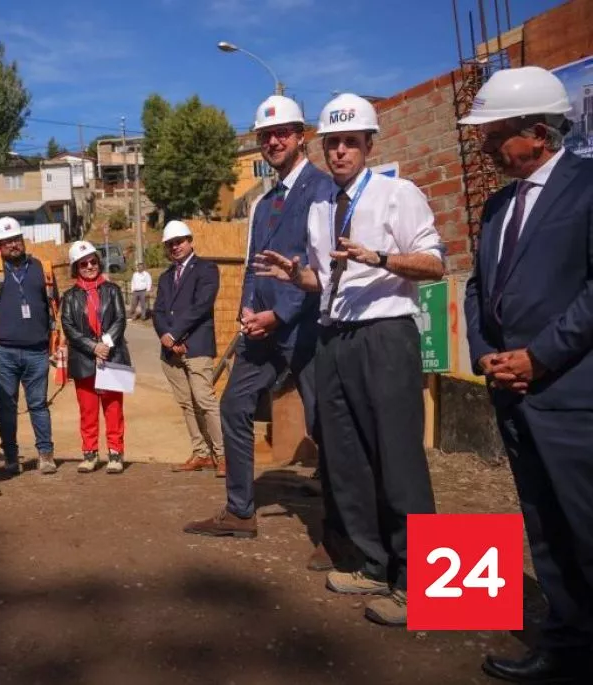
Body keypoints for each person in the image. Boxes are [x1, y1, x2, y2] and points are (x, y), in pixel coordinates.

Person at [255, 93, 444, 627]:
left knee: (398, 460)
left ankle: (419, 584)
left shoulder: (396, 194)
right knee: (348, 459)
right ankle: (373, 564)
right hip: (335, 336)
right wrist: (295, 277)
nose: (340, 152)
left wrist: (379, 257)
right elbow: (325, 280)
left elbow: (433, 261)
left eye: (350, 142)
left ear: (368, 144)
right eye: (332, 143)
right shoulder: (320, 209)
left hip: (385, 334)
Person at [460, 66, 593, 683]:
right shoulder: (495, 207)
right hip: (511, 395)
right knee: (544, 526)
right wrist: (487, 351)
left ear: (538, 132)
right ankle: (565, 647)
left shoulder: (588, 188)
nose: (485, 146)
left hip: (571, 397)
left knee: (586, 527)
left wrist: (540, 356)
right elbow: (478, 288)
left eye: (495, 133)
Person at [183, 95, 334, 555]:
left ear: (300, 136)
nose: (273, 141)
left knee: (325, 422)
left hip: (303, 328)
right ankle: (240, 511)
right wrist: (248, 311)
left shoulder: (321, 189)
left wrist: (280, 313)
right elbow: (252, 265)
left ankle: (342, 530)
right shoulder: (265, 200)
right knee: (234, 406)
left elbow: (320, 264)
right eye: (266, 135)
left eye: (282, 133)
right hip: (260, 331)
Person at [0, 217, 61, 475]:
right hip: (3, 351)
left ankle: (45, 454)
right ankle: (11, 457)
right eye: (7, 241)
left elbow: (53, 302)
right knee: (6, 406)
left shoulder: (41, 268)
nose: (13, 244)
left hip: (37, 351)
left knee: (39, 405)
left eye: (16, 239)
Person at [154, 220, 224, 475]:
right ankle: (201, 452)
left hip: (196, 345)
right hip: (171, 350)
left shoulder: (206, 269)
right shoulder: (165, 278)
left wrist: (174, 334)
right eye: (170, 244)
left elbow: (201, 306)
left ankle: (223, 454)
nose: (175, 247)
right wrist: (166, 336)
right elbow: (158, 311)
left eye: (179, 241)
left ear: (190, 241)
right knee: (186, 403)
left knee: (205, 400)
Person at [61, 240, 130, 473]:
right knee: (87, 410)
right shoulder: (69, 297)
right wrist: (93, 347)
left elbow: (120, 320)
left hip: (111, 356)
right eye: (83, 264)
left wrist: (105, 345)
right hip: (84, 360)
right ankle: (89, 454)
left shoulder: (113, 290)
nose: (89, 266)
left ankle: (115, 453)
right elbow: (69, 326)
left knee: (113, 409)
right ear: (76, 268)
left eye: (92, 262)